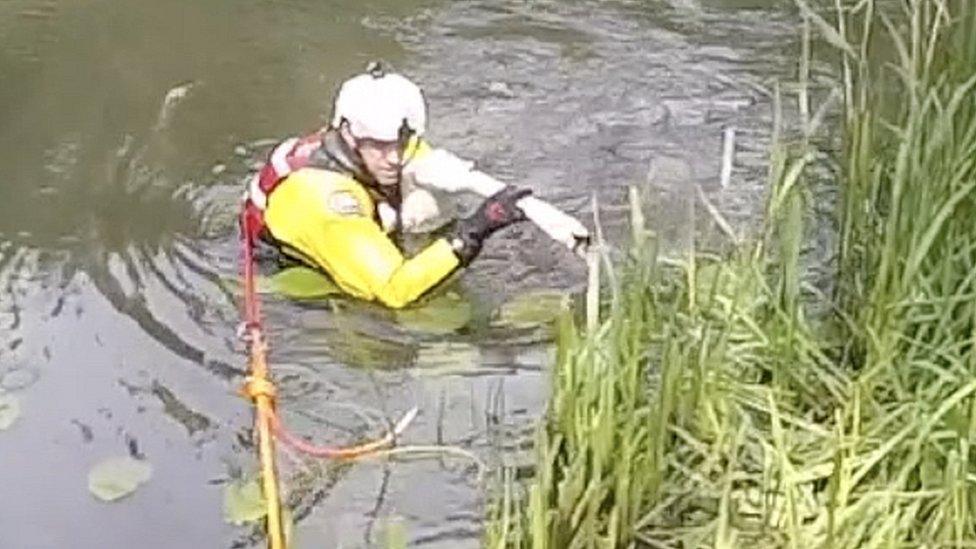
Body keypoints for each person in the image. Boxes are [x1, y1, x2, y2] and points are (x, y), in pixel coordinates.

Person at [241, 62, 589, 309]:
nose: (393, 158)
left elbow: (432, 164)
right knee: (413, 325)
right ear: (347, 133)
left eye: (401, 142)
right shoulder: (326, 200)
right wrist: (473, 232)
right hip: (296, 270)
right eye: (379, 146)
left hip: (344, 225)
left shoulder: (369, 145)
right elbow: (394, 291)